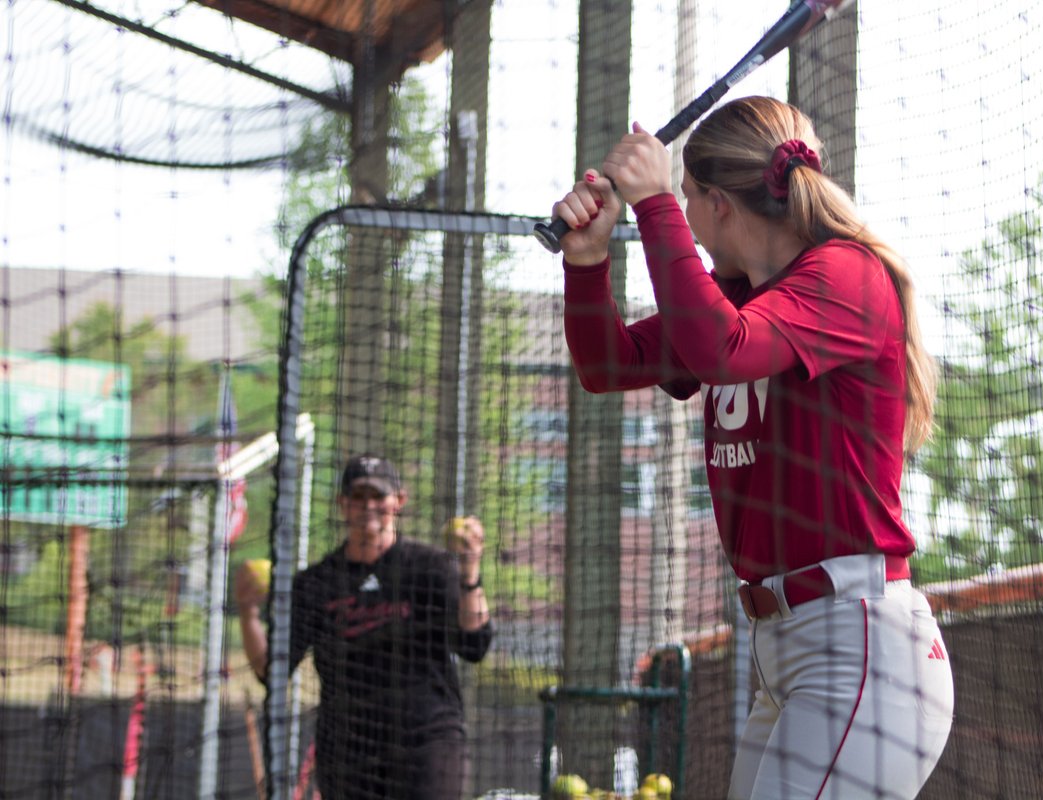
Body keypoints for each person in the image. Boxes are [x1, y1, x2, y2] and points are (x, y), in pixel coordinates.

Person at [551, 96, 954, 799]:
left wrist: (653, 206)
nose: (686, 216)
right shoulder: (736, 293)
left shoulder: (847, 274)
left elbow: (721, 349)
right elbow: (607, 365)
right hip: (790, 648)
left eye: (688, 198)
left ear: (718, 204)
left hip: (858, 644)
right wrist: (586, 263)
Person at [236, 454, 493, 800]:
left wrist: (470, 573)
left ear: (398, 501)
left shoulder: (430, 567)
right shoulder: (317, 582)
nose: (368, 506)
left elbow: (475, 644)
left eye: (378, 495)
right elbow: (272, 670)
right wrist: (248, 611)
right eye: (358, 496)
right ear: (342, 503)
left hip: (426, 741)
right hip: (347, 750)